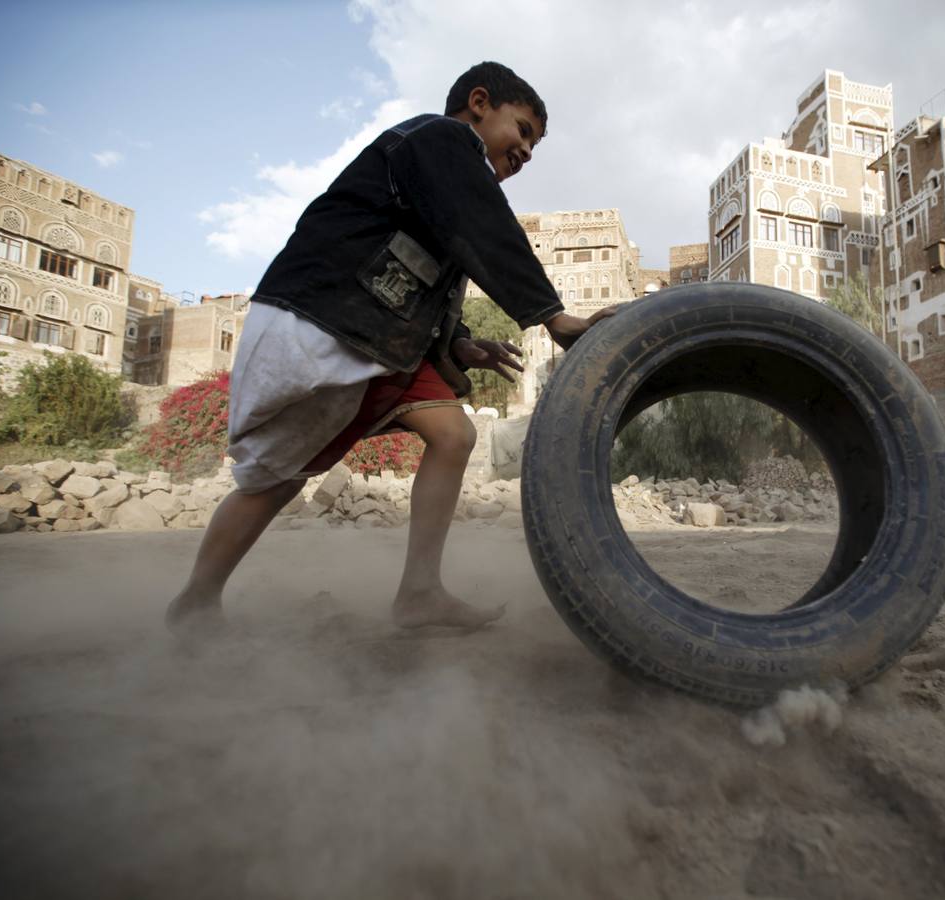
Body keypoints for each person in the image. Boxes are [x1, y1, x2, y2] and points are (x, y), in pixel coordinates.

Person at [166, 61, 612, 632]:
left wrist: (461, 344)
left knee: (453, 435)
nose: (525, 151)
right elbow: (485, 228)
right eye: (522, 129)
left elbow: (425, 276)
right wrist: (552, 316)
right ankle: (196, 602)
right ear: (480, 103)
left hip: (381, 339)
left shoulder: (447, 183)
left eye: (533, 145)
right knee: (276, 479)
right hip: (323, 320)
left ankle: (420, 593)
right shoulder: (440, 138)